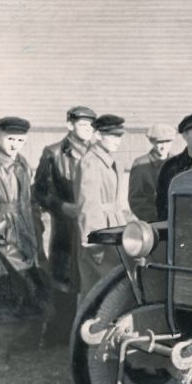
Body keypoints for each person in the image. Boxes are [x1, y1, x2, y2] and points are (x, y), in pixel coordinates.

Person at [0, 117, 50, 371]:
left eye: (20, 140)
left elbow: (29, 201)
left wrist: (33, 233)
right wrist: (9, 249)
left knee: (26, 289)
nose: (15, 144)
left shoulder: (22, 163)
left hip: (25, 234)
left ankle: (21, 346)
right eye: (10, 139)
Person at [33, 105, 96, 346]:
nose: (88, 129)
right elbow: (40, 192)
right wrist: (61, 207)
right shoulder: (53, 153)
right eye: (83, 124)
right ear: (70, 125)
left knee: (91, 277)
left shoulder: (97, 152)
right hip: (65, 228)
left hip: (91, 225)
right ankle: (57, 335)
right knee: (63, 281)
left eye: (91, 125)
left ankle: (88, 334)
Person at [75, 114, 134, 301]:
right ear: (98, 135)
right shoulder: (91, 162)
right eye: (112, 136)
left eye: (119, 136)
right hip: (100, 234)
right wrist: (95, 244)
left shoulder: (108, 159)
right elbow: (88, 207)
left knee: (110, 290)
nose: (118, 141)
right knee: (99, 292)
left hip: (113, 229)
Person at [128, 123, 175, 222]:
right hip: (154, 222)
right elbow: (136, 199)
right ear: (152, 142)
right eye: (159, 142)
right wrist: (156, 220)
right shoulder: (140, 164)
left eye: (167, 141)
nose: (163, 146)